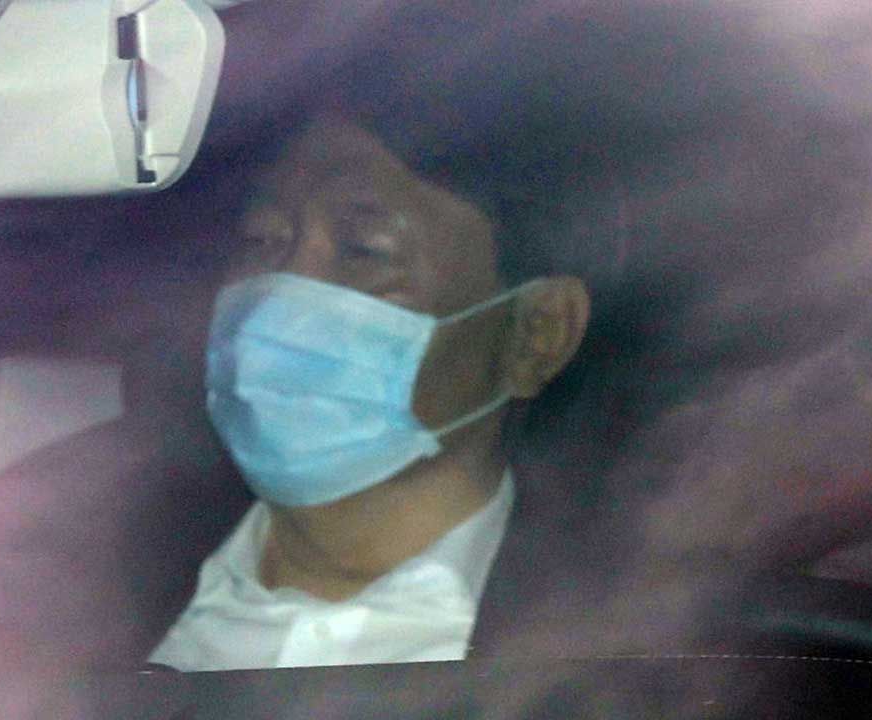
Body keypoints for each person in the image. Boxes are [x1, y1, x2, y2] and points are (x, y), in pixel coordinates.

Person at [145, 82, 606, 669]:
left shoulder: (638, 637)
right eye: (260, 240)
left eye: (364, 250)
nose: (278, 299)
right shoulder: (78, 551)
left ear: (537, 334)